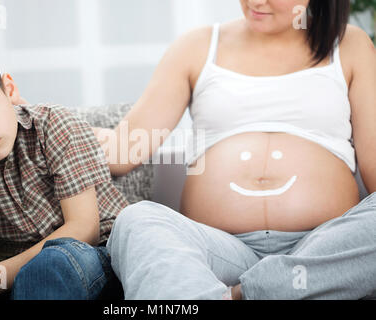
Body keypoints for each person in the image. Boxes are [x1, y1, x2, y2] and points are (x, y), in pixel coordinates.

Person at [95, 0, 376, 299]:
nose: (256, 1)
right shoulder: (196, 46)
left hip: (324, 249)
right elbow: (125, 147)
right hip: (222, 251)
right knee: (136, 220)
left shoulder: (349, 45)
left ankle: (244, 294)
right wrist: (53, 125)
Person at [0, 38, 128, 300]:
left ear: (8, 89)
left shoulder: (54, 123)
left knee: (49, 265)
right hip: (12, 283)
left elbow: (84, 229)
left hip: (89, 259)